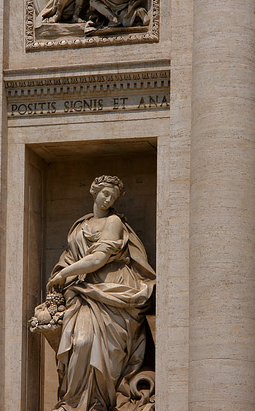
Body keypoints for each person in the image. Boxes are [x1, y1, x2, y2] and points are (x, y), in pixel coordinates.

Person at [47, 175, 156, 411]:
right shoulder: (79, 226)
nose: (108, 199)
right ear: (94, 191)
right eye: (105, 193)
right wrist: (63, 274)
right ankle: (74, 402)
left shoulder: (114, 221)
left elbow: (98, 258)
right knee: (82, 341)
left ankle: (100, 401)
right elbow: (70, 256)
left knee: (104, 348)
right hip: (83, 291)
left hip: (114, 290)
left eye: (113, 196)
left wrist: (65, 274)